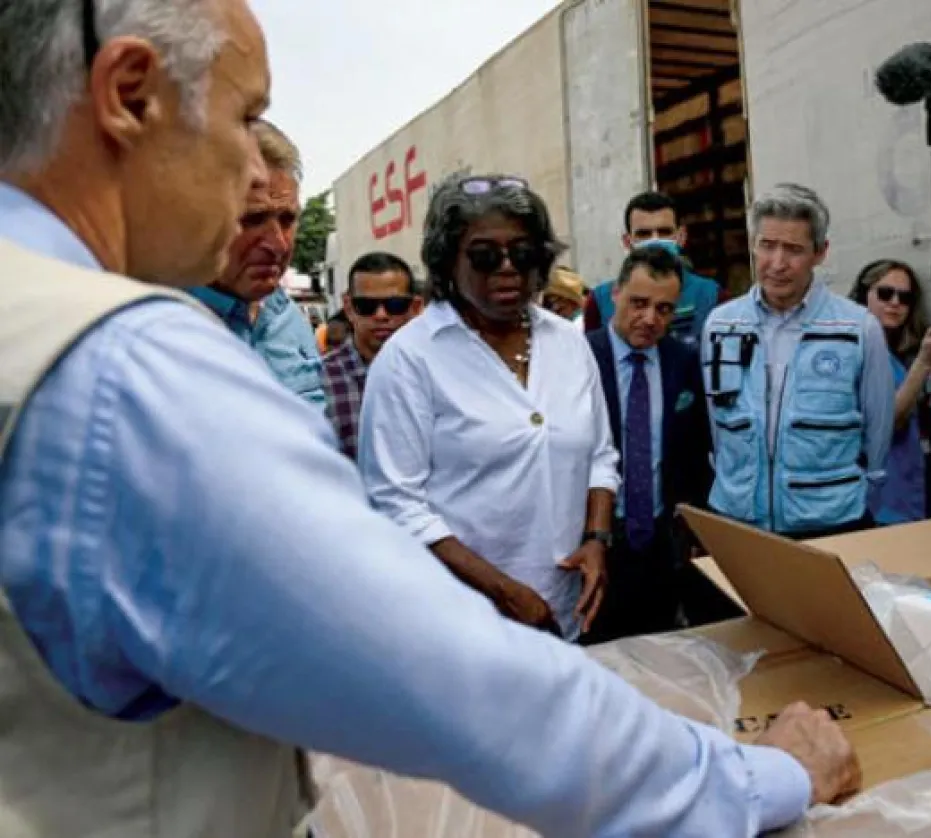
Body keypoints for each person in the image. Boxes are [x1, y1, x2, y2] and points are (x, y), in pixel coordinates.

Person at [0, 3, 857, 832]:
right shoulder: (128, 370)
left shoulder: (39, 320)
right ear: (129, 94)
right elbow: (453, 679)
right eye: (245, 116)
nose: (257, 175)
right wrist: (762, 775)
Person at [359, 175, 617, 641]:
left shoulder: (569, 345)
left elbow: (599, 456)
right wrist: (502, 591)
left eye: (522, 253)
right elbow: (396, 504)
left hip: (564, 610)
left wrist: (597, 538)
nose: (507, 268)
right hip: (460, 622)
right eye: (483, 255)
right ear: (447, 261)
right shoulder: (410, 359)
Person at [702, 184, 895, 537]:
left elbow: (877, 433)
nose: (778, 263)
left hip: (831, 523)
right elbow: (716, 425)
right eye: (767, 246)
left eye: (793, 249)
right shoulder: (720, 325)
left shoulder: (858, 328)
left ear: (820, 253)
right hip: (738, 517)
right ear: (752, 244)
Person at [583, 246, 715, 642]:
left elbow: (695, 449)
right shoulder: (579, 357)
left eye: (664, 309)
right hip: (592, 543)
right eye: (639, 303)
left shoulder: (682, 361)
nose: (649, 319)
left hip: (659, 546)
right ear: (615, 295)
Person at [187, 119, 325, 408]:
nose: (279, 244)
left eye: (287, 220)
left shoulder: (288, 318)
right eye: (253, 219)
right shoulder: (163, 330)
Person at [849, 259, 931, 525]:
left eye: (904, 297)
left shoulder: (900, 355)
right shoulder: (857, 351)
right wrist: (924, 363)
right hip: (877, 505)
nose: (895, 303)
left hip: (908, 497)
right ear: (863, 295)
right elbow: (887, 423)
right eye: (885, 293)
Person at [584, 191, 725, 348]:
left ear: (681, 236)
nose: (655, 240)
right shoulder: (599, 300)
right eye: (644, 234)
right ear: (627, 241)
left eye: (664, 232)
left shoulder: (712, 295)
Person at [321, 251, 424, 459]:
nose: (381, 315)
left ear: (415, 308)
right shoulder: (319, 381)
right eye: (366, 306)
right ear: (349, 308)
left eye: (395, 305)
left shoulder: (435, 374)